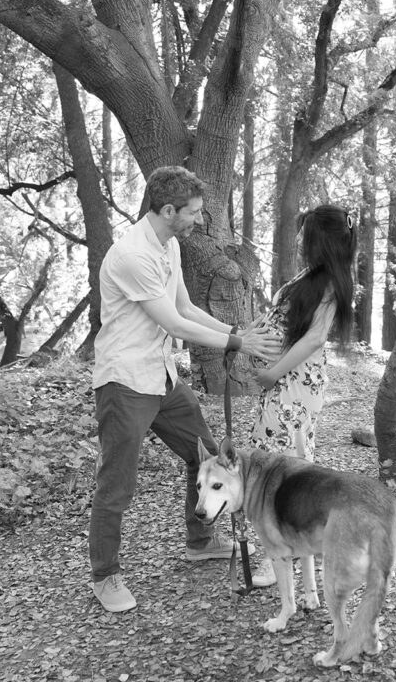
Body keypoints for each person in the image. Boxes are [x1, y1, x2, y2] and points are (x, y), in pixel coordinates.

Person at [89, 165, 281, 613]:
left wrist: (235, 330)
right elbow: (172, 323)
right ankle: (105, 576)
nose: (199, 219)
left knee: (206, 455)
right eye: (193, 212)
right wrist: (236, 342)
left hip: (162, 377)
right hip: (125, 383)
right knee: (116, 482)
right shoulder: (131, 255)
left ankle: (200, 542)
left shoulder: (170, 244)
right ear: (168, 209)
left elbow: (185, 307)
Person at [248, 204, 357, 586]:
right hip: (282, 381)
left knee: (281, 464)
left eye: (304, 233)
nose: (297, 239)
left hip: (295, 383)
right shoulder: (309, 277)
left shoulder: (332, 284)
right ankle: (284, 548)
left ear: (321, 241)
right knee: (274, 455)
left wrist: (273, 371)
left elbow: (315, 338)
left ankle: (281, 551)